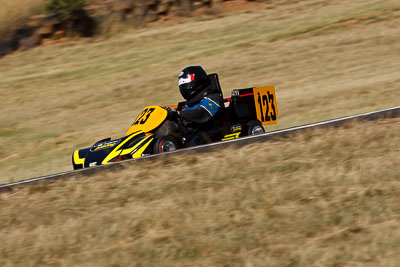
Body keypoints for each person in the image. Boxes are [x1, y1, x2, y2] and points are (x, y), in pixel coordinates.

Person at [165, 66, 224, 144]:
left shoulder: (213, 98)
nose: (185, 88)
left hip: (210, 132)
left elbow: (201, 114)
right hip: (190, 134)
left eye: (186, 85)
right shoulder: (188, 105)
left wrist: (179, 114)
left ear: (197, 82)